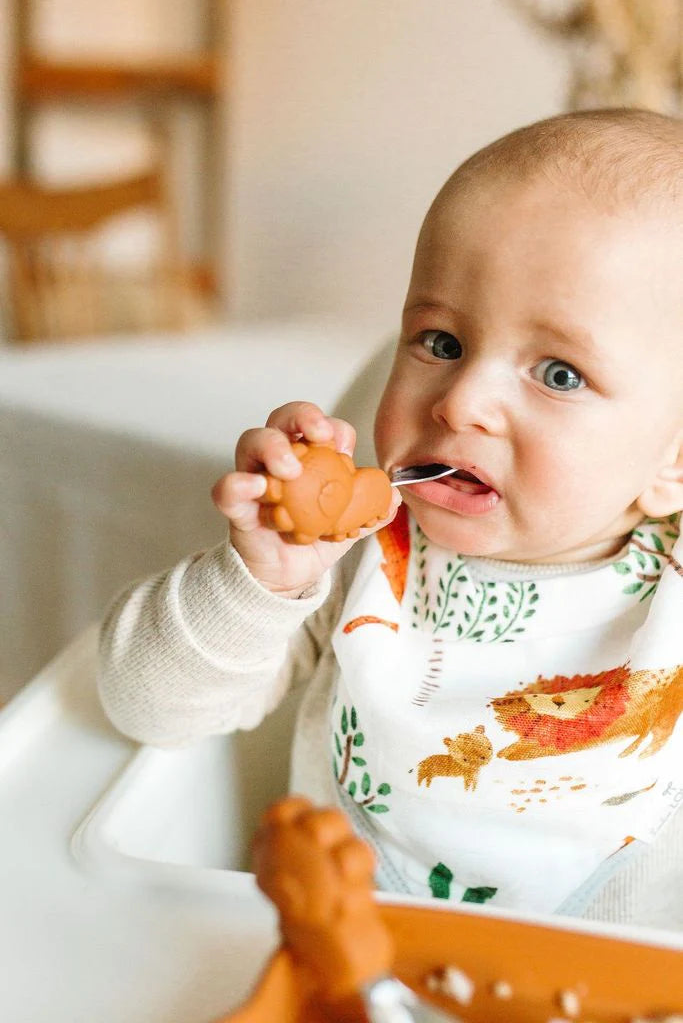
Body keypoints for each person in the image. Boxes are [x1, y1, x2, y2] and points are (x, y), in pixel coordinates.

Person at [98, 108, 683, 921]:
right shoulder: (358, 560)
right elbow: (146, 708)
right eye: (440, 342)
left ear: (673, 462)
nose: (462, 401)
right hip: (341, 946)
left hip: (610, 974)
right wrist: (260, 582)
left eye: (557, 374)